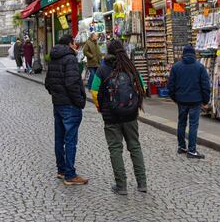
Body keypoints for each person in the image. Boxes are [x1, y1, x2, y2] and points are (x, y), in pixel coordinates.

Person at [91, 39, 147, 195]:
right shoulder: (130, 66)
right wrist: (134, 104)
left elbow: (94, 91)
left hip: (111, 117)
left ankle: (121, 186)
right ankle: (142, 183)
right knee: (135, 146)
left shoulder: (102, 69)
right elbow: (143, 87)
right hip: (130, 115)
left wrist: (100, 108)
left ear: (108, 52)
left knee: (115, 149)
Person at [44, 34, 88, 186]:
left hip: (58, 104)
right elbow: (72, 84)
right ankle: (70, 174)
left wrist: (56, 95)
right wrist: (80, 101)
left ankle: (61, 170)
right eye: (74, 43)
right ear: (70, 44)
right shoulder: (70, 59)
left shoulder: (54, 58)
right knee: (70, 140)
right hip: (70, 104)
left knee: (59, 138)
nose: (76, 45)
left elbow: (48, 83)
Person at [166, 45, 211, 159]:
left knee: (181, 123)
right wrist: (205, 100)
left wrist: (175, 98)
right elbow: (205, 86)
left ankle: (181, 146)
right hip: (196, 100)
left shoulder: (176, 67)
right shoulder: (200, 67)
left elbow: (170, 86)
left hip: (181, 100)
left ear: (183, 54)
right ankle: (192, 150)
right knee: (193, 125)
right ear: (194, 54)